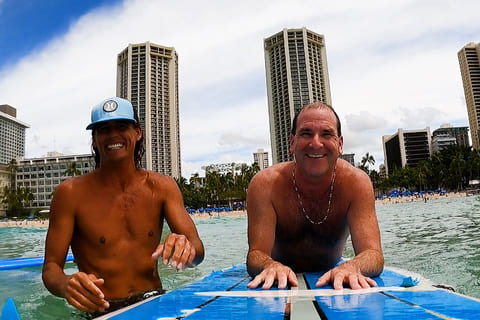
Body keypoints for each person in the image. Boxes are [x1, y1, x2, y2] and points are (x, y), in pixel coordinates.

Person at [42, 97, 204, 316]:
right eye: (104, 129)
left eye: (122, 126)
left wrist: (186, 248)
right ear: (95, 138)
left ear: (138, 133)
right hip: (102, 310)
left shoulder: (162, 187)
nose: (113, 135)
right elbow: (51, 268)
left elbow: (198, 251)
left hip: (153, 301)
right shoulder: (70, 194)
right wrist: (66, 285)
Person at [246, 102, 383, 290]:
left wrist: (352, 266)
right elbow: (256, 254)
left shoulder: (356, 184)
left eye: (326, 134)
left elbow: (373, 254)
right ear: (292, 143)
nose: (316, 143)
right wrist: (271, 265)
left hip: (331, 270)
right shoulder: (266, 185)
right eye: (306, 133)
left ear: (340, 144)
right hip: (278, 277)